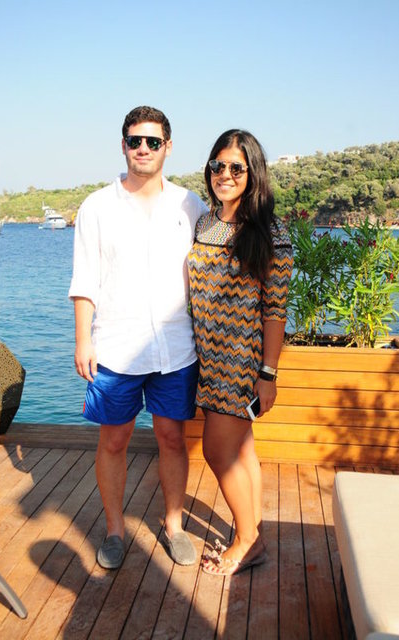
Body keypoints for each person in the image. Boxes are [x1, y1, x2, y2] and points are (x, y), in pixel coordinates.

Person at [69, 106, 208, 569]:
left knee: (172, 437)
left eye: (152, 141)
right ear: (123, 145)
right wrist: (83, 340)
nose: (143, 149)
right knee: (113, 440)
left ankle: (174, 526)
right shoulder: (97, 206)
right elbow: (85, 279)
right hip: (116, 348)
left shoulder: (190, 205)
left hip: (177, 347)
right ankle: (114, 530)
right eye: (135, 140)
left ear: (168, 146)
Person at [187, 129, 293, 575]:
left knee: (218, 451)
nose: (225, 174)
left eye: (236, 167)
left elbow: (276, 310)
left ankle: (247, 540)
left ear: (253, 174)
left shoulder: (269, 231)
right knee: (242, 451)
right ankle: (254, 534)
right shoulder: (205, 223)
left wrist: (267, 374)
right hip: (207, 360)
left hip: (241, 362)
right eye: (218, 165)